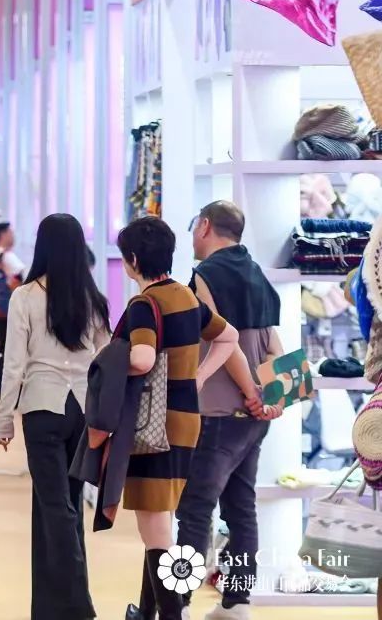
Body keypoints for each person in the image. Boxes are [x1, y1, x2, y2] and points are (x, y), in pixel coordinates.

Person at [77, 216, 243, 620]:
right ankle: (148, 611)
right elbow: (228, 336)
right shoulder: (186, 296)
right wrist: (198, 377)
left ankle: (171, 613)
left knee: (155, 531)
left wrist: (106, 358)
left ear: (133, 260)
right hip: (185, 420)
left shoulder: (143, 305)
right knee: (161, 520)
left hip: (152, 426)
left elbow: (142, 358)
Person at [0, 214, 108, 620]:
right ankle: (49, 607)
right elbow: (105, 360)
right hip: (83, 409)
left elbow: (14, 364)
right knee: (64, 506)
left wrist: (4, 418)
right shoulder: (93, 298)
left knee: (55, 507)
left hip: (42, 409)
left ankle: (77, 605)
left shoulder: (25, 296)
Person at [175, 202, 284, 620]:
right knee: (241, 510)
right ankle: (237, 602)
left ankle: (178, 604)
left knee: (194, 511)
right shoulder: (257, 274)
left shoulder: (205, 275)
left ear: (205, 226)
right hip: (253, 420)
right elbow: (274, 346)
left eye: (194, 226)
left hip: (217, 413)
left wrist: (249, 391)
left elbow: (226, 339)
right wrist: (272, 397)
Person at [0, 221, 26, 396]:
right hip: (9, 305)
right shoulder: (7, 256)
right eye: (10, 232)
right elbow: (24, 276)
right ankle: (4, 385)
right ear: (3, 234)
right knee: (11, 346)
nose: (13, 235)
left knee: (3, 344)